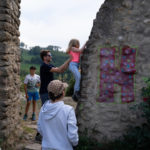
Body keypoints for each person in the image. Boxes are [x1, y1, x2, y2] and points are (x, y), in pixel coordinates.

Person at [37, 80, 78, 150]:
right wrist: (75, 143)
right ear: (63, 93)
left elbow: (40, 129)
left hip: (46, 147)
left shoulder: (43, 109)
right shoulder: (68, 110)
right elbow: (72, 135)